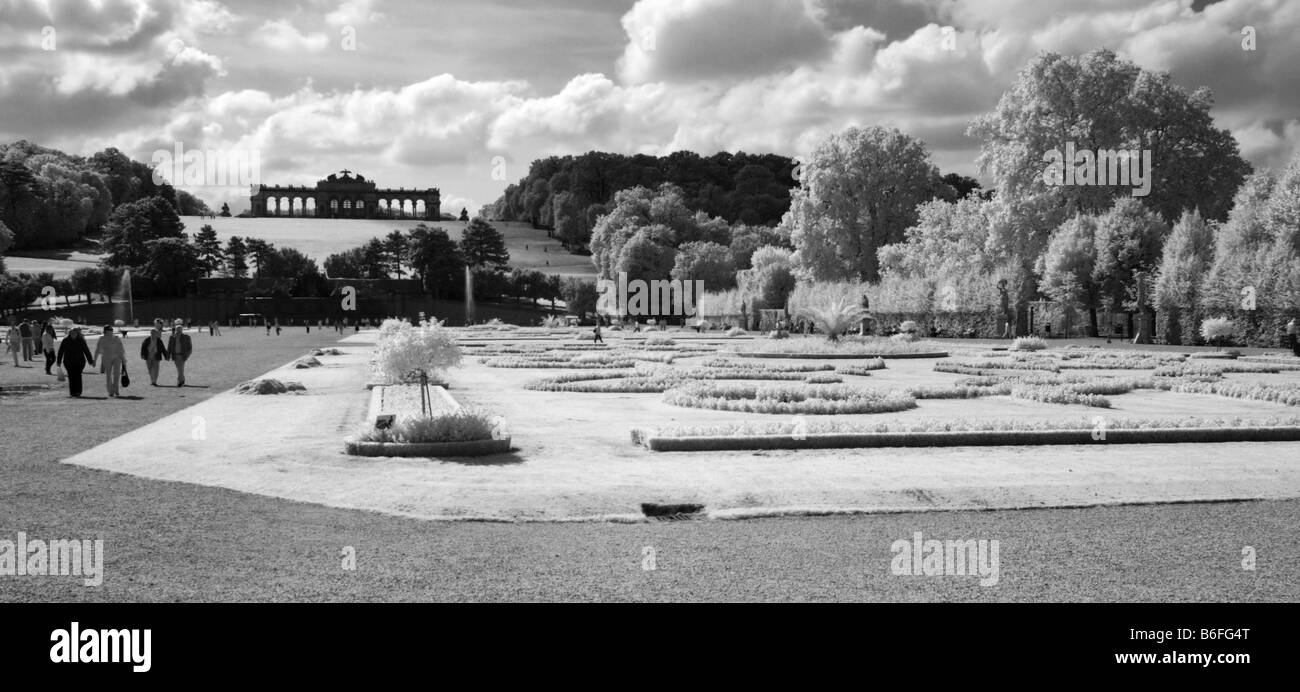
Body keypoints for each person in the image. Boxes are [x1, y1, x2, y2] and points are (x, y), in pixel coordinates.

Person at [56, 327, 94, 397]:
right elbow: (60, 351)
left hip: (79, 362)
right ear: (69, 333)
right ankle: (72, 392)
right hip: (68, 362)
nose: (73, 334)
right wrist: (58, 361)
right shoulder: (65, 340)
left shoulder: (81, 341)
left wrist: (90, 361)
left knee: (78, 376)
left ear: (77, 334)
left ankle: (78, 392)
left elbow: (86, 351)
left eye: (75, 333)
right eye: (71, 333)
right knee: (71, 377)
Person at [93, 325, 127, 398]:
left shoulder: (116, 338)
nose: (111, 331)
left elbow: (121, 349)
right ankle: (110, 391)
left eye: (112, 330)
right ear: (105, 331)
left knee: (117, 374)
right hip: (106, 358)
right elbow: (98, 350)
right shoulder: (102, 339)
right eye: (109, 330)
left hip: (117, 358)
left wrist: (123, 359)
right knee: (108, 374)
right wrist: (94, 360)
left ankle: (116, 389)